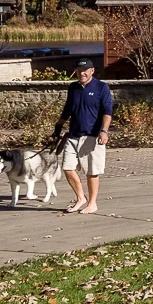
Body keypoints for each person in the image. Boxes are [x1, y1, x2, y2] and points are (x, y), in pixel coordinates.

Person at [51, 56, 114, 214]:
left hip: (92, 136)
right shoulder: (73, 88)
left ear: (92, 70)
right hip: (73, 135)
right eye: (79, 71)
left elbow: (107, 111)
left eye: (85, 70)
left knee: (91, 171)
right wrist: (57, 129)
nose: (82, 73)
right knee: (67, 167)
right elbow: (67, 111)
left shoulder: (101, 87)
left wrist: (104, 131)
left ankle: (92, 203)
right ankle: (81, 198)